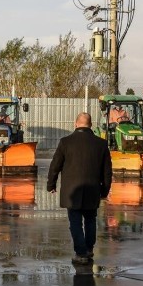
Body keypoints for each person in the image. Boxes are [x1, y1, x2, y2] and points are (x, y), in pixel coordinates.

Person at [46, 112, 112, 265]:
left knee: (75, 222)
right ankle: (88, 249)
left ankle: (81, 253)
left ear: (76, 124)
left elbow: (55, 166)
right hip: (92, 190)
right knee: (90, 220)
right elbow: (107, 171)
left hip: (72, 191)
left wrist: (51, 185)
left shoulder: (65, 142)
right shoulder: (101, 144)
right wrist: (104, 191)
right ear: (91, 125)